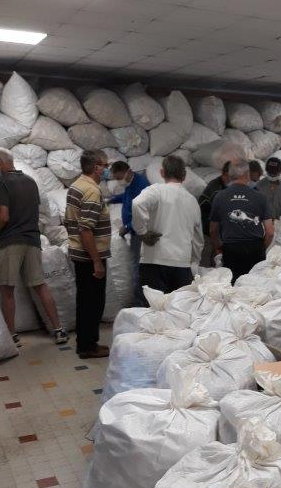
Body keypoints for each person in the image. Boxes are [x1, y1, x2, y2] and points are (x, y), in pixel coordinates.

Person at [0, 148, 68, 347]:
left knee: (7, 290)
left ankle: (12, 336)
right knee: (40, 285)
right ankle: (59, 330)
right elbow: (24, 207)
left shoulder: (1, 184)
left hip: (10, 242)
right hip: (32, 240)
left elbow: (3, 217)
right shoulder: (30, 182)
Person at [132, 155, 203, 295]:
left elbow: (137, 203)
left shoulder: (156, 191)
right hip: (181, 264)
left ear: (162, 173)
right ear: (184, 175)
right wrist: (194, 262)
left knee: (154, 306)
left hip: (154, 261)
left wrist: (142, 232)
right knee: (178, 306)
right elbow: (198, 239)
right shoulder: (192, 201)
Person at [65, 149, 111, 359]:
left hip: (81, 255)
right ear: (96, 167)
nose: (107, 169)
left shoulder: (76, 185)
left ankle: (85, 343)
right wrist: (97, 262)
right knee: (93, 303)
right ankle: (87, 346)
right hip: (89, 257)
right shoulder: (91, 191)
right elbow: (85, 230)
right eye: (105, 165)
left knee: (85, 301)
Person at [209, 159, 273, 282]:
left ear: (230, 175)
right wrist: (261, 248)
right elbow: (270, 232)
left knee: (233, 287)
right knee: (256, 286)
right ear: (247, 174)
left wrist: (218, 248)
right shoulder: (260, 197)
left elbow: (213, 229)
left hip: (231, 249)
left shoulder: (219, 196)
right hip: (255, 248)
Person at [108, 161, 150, 305]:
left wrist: (127, 226)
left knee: (137, 266)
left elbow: (144, 214)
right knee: (134, 264)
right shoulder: (131, 183)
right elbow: (127, 197)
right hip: (134, 231)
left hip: (140, 233)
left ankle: (140, 302)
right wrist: (112, 200)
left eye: (119, 178)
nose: (118, 181)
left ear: (127, 171)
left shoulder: (141, 185)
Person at [198, 161, 231, 267]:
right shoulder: (215, 188)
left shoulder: (228, 187)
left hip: (220, 231)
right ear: (224, 174)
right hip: (207, 230)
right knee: (207, 263)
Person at [255, 157, 281, 226]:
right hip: (260, 224)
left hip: (277, 224)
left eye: (275, 173)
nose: (272, 175)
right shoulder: (258, 187)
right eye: (270, 173)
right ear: (266, 170)